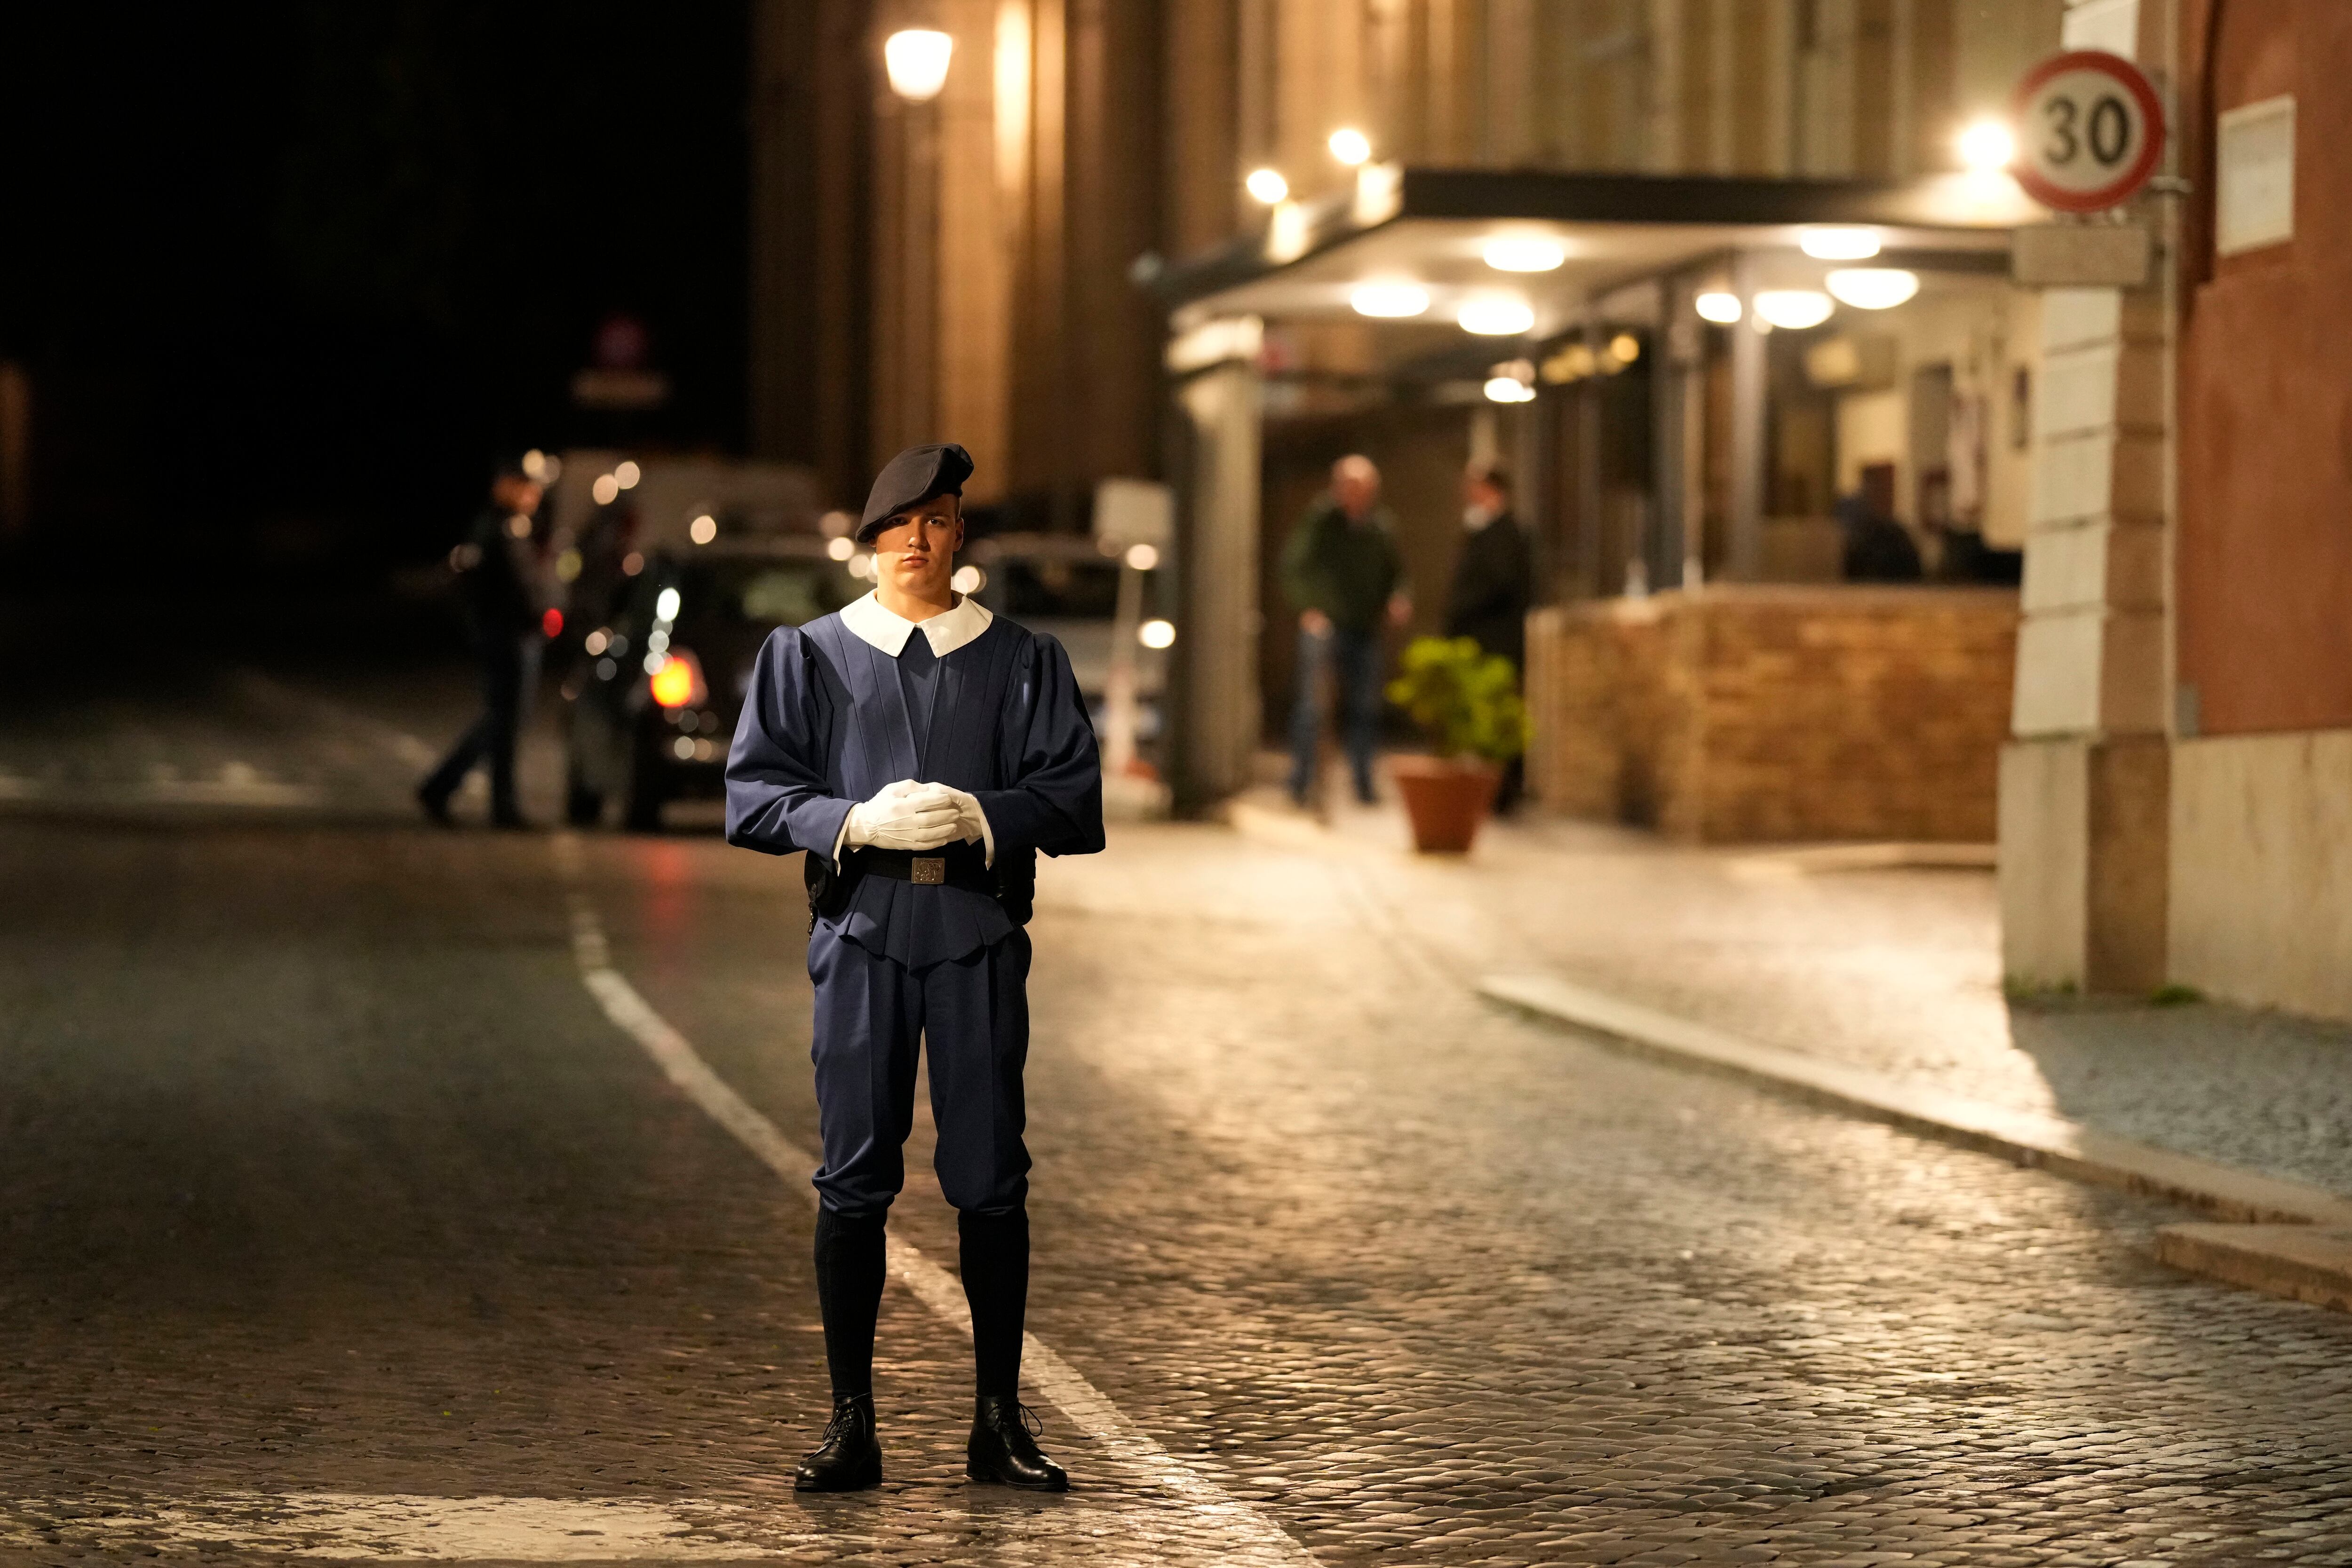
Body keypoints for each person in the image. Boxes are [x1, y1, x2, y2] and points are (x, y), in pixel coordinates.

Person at [723, 443, 1104, 1495]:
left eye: (936, 520)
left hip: (977, 929)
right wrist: (846, 818)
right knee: (854, 1177)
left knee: (990, 1179)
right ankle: (853, 1420)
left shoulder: (1023, 659)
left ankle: (997, 1419)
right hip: (861, 931)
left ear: (959, 536)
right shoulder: (807, 655)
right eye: (898, 524)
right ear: (871, 538)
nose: (916, 541)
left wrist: (990, 812)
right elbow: (753, 795)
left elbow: (1073, 797)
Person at [418, 456, 550, 828]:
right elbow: (493, 586)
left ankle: (450, 789)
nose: (534, 493)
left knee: (504, 723)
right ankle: (485, 800)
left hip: (514, 636)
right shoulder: (496, 528)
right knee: (502, 724)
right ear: (505, 485)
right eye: (526, 484)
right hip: (506, 637)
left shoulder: (513, 527)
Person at [1281, 454, 1409, 807]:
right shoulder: (1320, 522)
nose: (1358, 494)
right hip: (1326, 626)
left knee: (1365, 708)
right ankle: (1301, 781)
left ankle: (1364, 784)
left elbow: (1396, 574)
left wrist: (1397, 599)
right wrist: (1309, 608)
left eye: (1365, 488)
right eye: (1351, 487)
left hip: (1363, 628)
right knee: (1313, 706)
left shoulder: (1380, 528)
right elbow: (1295, 567)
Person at [1441, 458, 1533, 813]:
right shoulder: (1484, 532)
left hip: (1496, 642)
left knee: (1499, 715)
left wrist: (1463, 608)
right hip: (1481, 640)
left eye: (1474, 485)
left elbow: (1498, 583)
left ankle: (1502, 792)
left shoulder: (1505, 534)